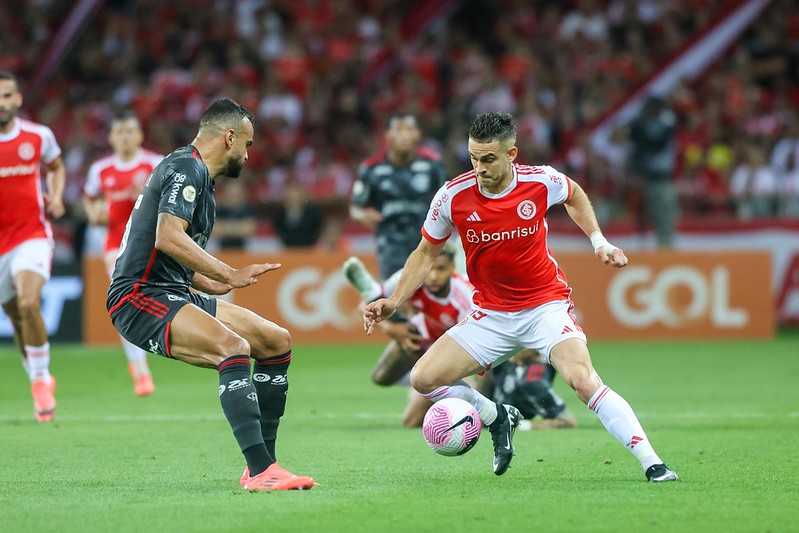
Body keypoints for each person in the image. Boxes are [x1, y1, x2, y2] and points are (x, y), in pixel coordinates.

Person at [364, 112, 677, 482]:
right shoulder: (452, 196)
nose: (479, 167)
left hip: (544, 306)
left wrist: (599, 241)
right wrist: (395, 301)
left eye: (489, 158)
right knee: (423, 379)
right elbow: (425, 253)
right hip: (491, 314)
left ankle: (652, 462)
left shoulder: (539, 181)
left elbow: (573, 194)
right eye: (473, 158)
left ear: (512, 153)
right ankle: (498, 417)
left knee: (582, 380)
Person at [105, 98, 315, 491]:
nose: (248, 155)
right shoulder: (186, 167)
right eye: (248, 145)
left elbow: (169, 251)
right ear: (229, 136)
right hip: (137, 297)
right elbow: (167, 237)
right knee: (232, 346)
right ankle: (259, 471)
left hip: (172, 290)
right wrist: (229, 273)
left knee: (275, 341)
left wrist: (206, 280)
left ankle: (265, 465)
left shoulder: (201, 178)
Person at [344, 246, 576, 430]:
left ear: (453, 268)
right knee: (380, 377)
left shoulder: (465, 295)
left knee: (412, 422)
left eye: (441, 269)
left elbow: (482, 344)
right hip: (422, 338)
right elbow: (367, 308)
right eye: (430, 269)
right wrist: (393, 331)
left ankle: (428, 386)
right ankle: (373, 291)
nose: (433, 276)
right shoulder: (406, 279)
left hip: (454, 350)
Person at [0, 69, 65, 422]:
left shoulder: (38, 136)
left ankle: (41, 380)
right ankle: (36, 373)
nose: (1, 103)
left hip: (31, 236)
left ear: (18, 99)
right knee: (14, 315)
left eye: (7, 95)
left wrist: (55, 197)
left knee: (28, 302)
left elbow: (55, 167)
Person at [83, 110, 163, 396]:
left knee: (158, 299)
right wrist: (94, 214)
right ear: (111, 137)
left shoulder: (156, 164)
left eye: (130, 131)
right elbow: (89, 196)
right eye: (120, 132)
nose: (125, 137)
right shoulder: (101, 169)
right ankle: (140, 369)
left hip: (153, 243)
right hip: (116, 244)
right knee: (126, 304)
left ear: (140, 135)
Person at [350, 113, 448, 280]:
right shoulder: (371, 168)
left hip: (427, 241)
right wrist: (362, 215)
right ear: (387, 135)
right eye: (398, 130)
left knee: (430, 294)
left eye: (409, 129)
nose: (404, 135)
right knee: (394, 295)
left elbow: (449, 199)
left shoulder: (432, 164)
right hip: (390, 244)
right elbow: (355, 208)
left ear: (418, 134)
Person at [629, 96, 679, 248]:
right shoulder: (644, 125)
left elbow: (656, 144)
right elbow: (636, 142)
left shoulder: (665, 125)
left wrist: (642, 135)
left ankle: (667, 243)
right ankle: (659, 244)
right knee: (653, 214)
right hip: (649, 178)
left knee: (667, 213)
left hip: (664, 178)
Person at [272, 181, 322, 248]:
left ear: (303, 196)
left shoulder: (312, 213)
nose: (294, 199)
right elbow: (278, 231)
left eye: (297, 196)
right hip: (287, 250)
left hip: (308, 249)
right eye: (291, 197)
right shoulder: (280, 214)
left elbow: (318, 230)